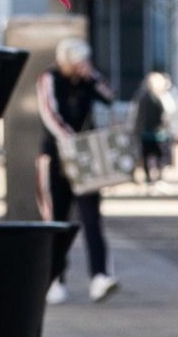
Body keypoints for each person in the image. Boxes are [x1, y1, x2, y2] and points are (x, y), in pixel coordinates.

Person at [38, 41, 118, 305]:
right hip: (57, 157)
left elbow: (110, 96)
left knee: (92, 218)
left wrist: (92, 77)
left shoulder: (88, 80)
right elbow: (50, 114)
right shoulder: (49, 79)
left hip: (85, 160)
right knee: (57, 220)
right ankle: (55, 279)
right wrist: (71, 141)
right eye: (78, 63)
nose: (81, 67)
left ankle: (100, 275)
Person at [135, 69, 174, 186]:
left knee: (150, 155)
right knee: (159, 155)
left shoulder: (143, 97)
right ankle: (157, 177)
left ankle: (151, 177)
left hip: (152, 132)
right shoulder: (161, 97)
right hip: (157, 132)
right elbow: (169, 114)